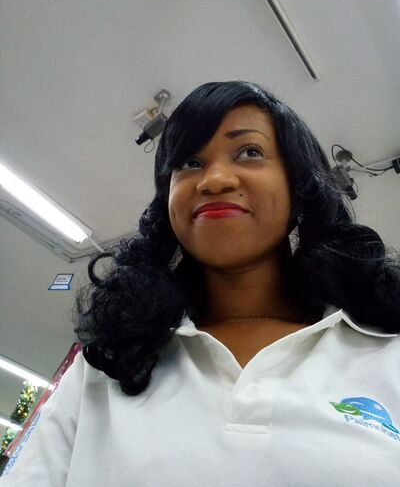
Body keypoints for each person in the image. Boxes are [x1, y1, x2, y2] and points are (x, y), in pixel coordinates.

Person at [1, 81, 400, 486]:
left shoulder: (387, 351)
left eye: (250, 152)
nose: (214, 180)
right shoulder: (105, 364)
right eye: (189, 162)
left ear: (299, 188)